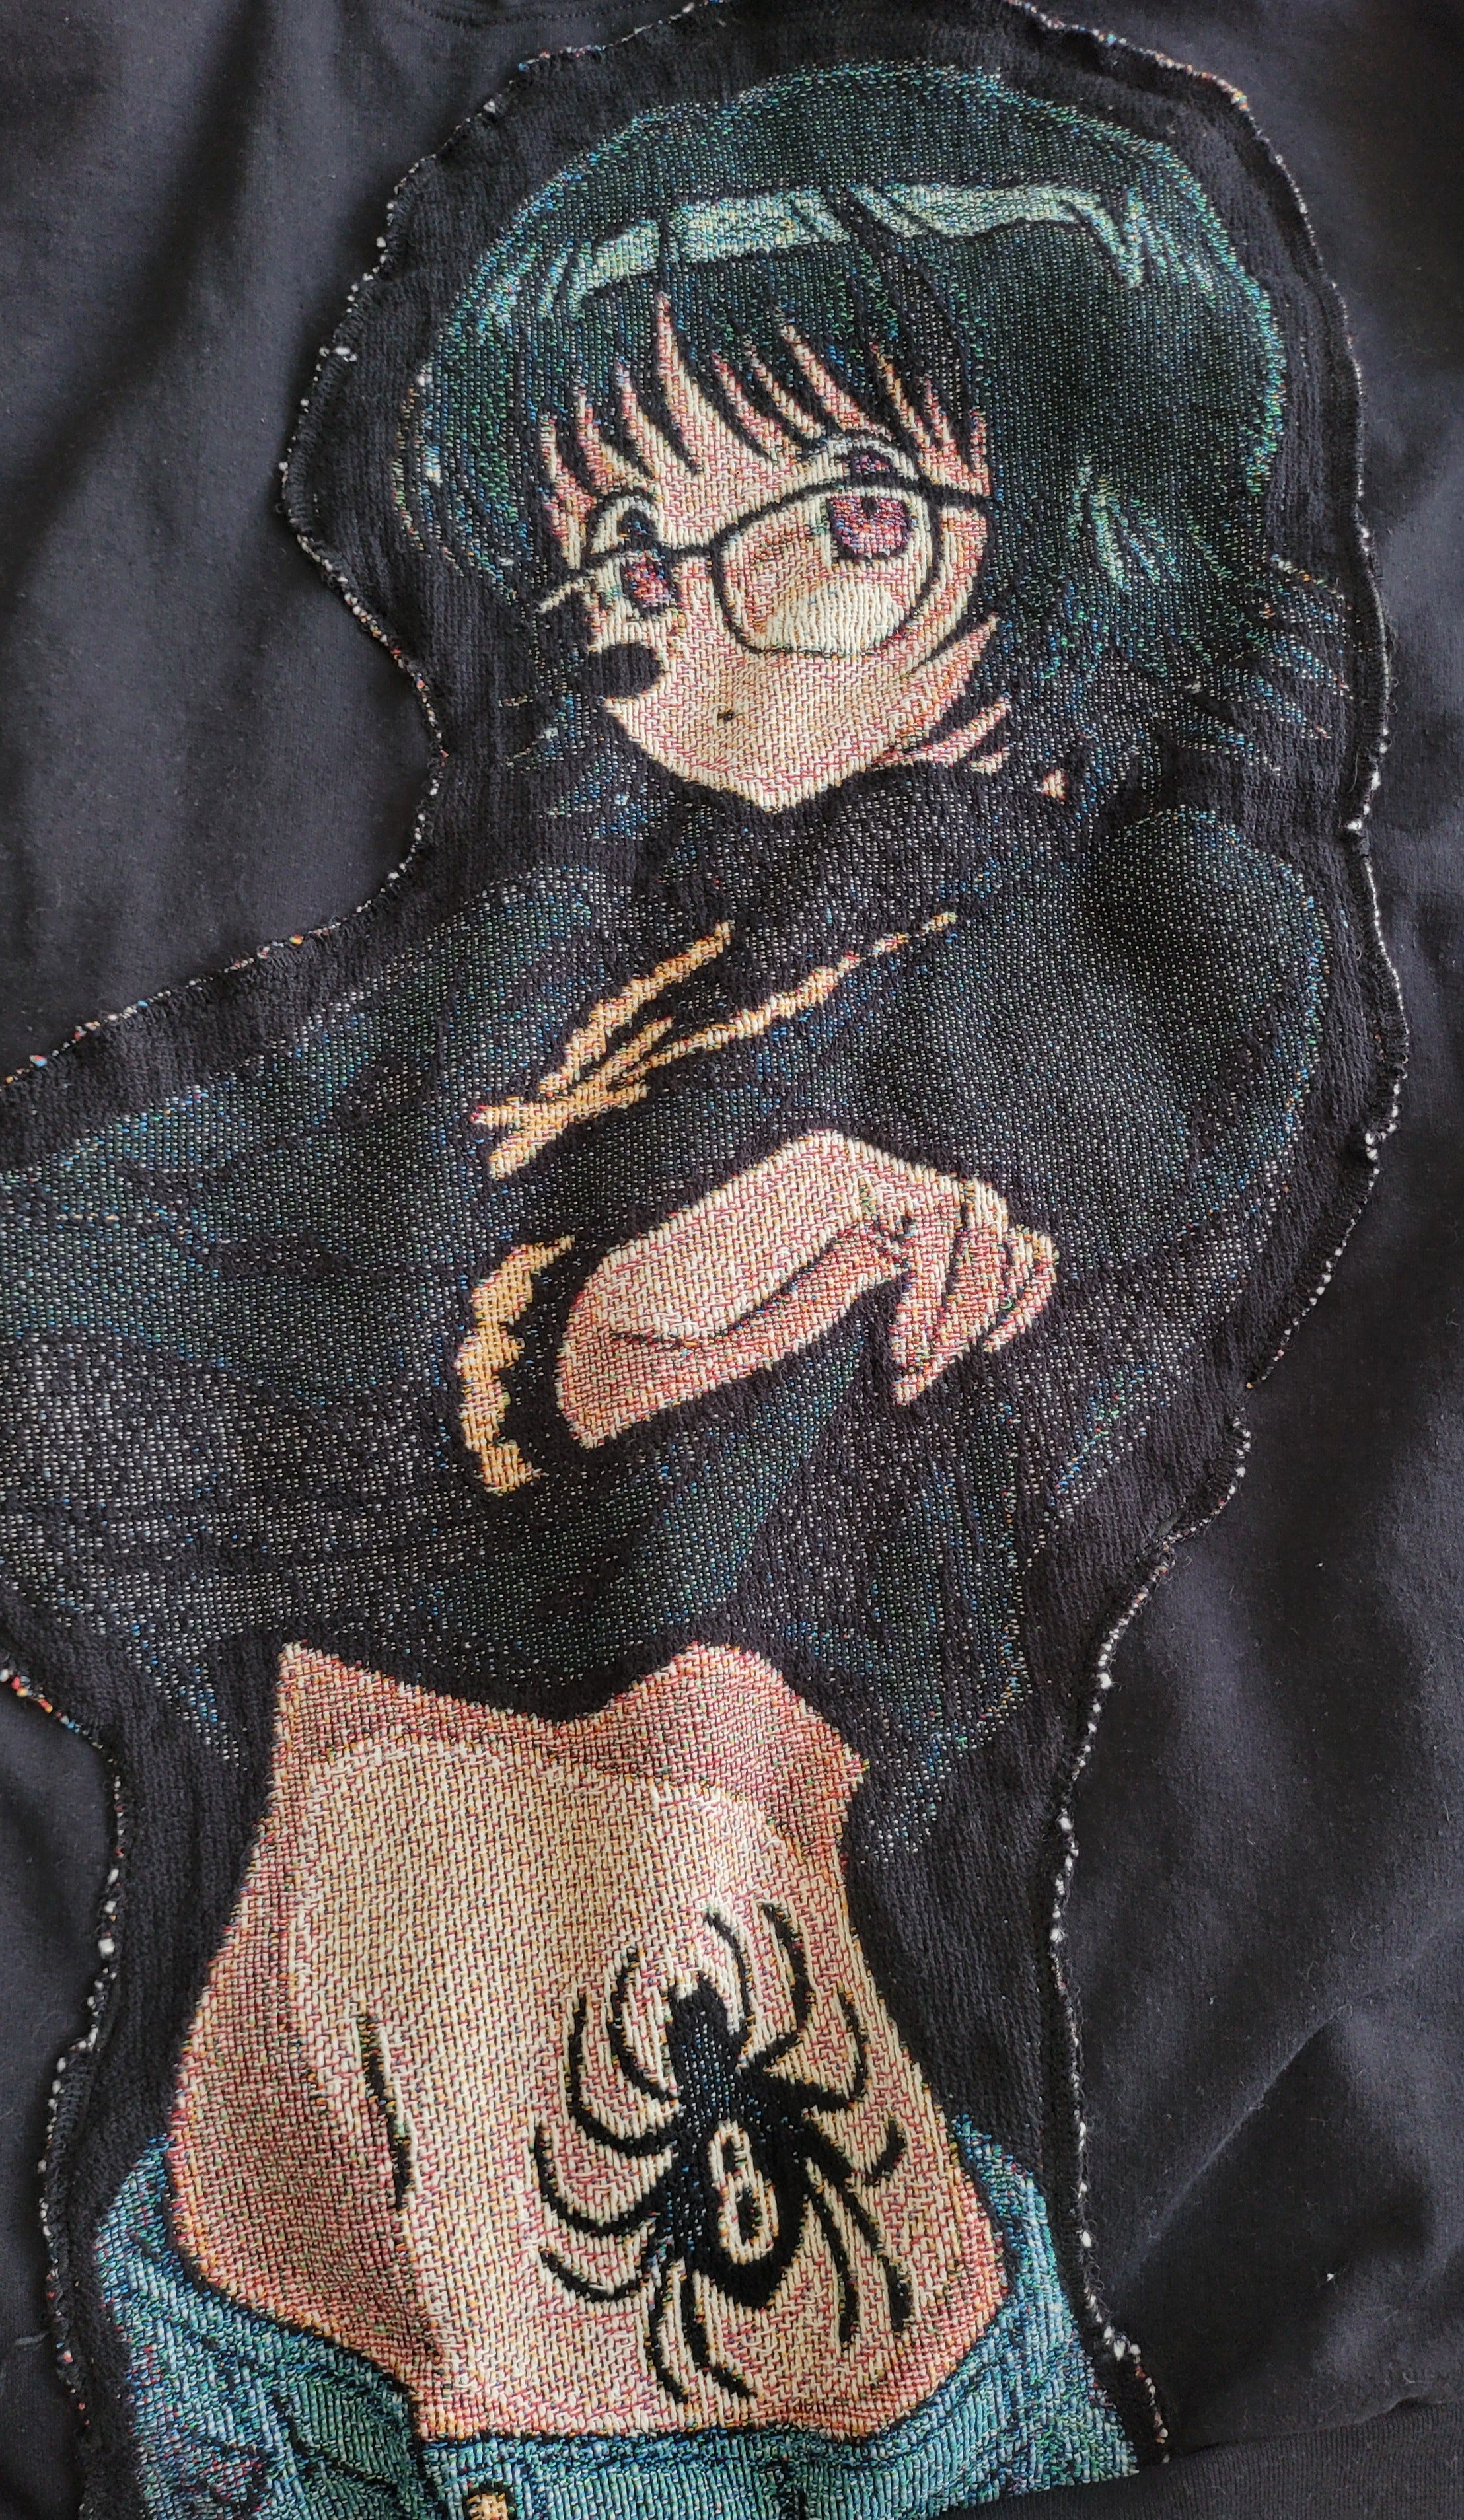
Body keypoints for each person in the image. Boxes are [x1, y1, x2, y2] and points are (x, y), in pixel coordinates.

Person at [0, 32, 1388, 2519]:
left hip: (707, 2388)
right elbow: (38, 1354)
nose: (701, 634)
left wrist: (380, 1381)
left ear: (1085, 505)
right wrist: (549, 1345)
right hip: (222, 2325)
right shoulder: (526, 977)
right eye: (632, 560)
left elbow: (206, 1403)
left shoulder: (1167, 937)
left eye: (838, 516)